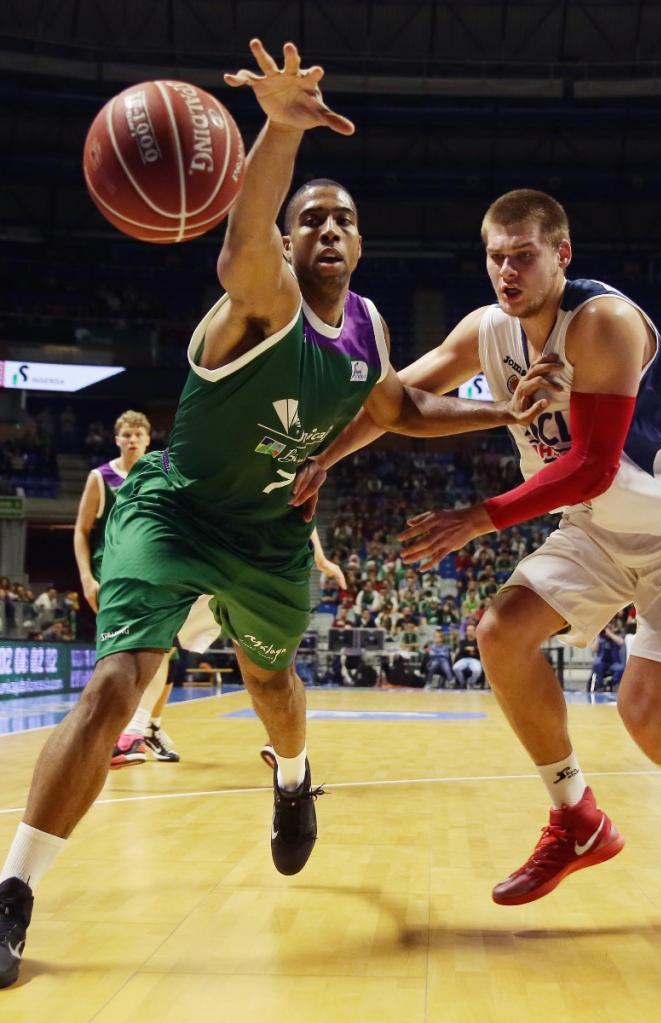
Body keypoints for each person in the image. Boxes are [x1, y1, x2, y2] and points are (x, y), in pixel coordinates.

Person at [0, 43, 549, 988]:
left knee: (272, 682)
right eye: (310, 219)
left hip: (268, 537)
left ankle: (293, 780)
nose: (327, 227)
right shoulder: (260, 296)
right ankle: (13, 888)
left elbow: (400, 411)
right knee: (117, 684)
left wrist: (502, 408)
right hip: (175, 516)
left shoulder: (367, 327)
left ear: (360, 243)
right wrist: (279, 128)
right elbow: (236, 237)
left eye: (343, 218)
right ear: (289, 241)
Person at [293, 187, 661, 930]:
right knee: (499, 630)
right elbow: (394, 399)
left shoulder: (603, 322)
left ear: (561, 254)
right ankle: (576, 816)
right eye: (494, 258)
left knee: (644, 711)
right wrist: (325, 457)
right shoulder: (487, 331)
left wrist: (477, 518)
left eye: (522, 256)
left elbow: (592, 467)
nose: (506, 272)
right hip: (598, 530)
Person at [73, 409, 188, 766]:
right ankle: (115, 735)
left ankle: (146, 728)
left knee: (171, 657)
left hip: (155, 574)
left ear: (148, 439)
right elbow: (81, 530)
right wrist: (87, 578)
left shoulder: (161, 470)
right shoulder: (101, 477)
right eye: (126, 435)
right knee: (121, 658)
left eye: (139, 434)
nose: (133, 440)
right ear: (116, 439)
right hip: (113, 578)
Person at [589, 619, 626, 691]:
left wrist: (610, 634)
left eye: (609, 626)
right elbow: (594, 649)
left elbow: (621, 642)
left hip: (614, 663)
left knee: (621, 668)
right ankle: (600, 685)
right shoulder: (600, 637)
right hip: (602, 662)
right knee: (596, 664)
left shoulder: (616, 635)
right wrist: (598, 636)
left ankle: (611, 683)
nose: (607, 628)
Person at [453, 623, 483, 688]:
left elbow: (479, 651)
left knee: (477, 670)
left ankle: (471, 682)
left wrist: (469, 648)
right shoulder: (462, 641)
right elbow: (461, 651)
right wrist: (474, 649)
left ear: (475, 631)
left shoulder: (478, 641)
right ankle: (462, 683)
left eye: (471, 630)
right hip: (464, 659)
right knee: (455, 668)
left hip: (475, 660)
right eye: (468, 630)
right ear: (466, 631)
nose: (470, 631)